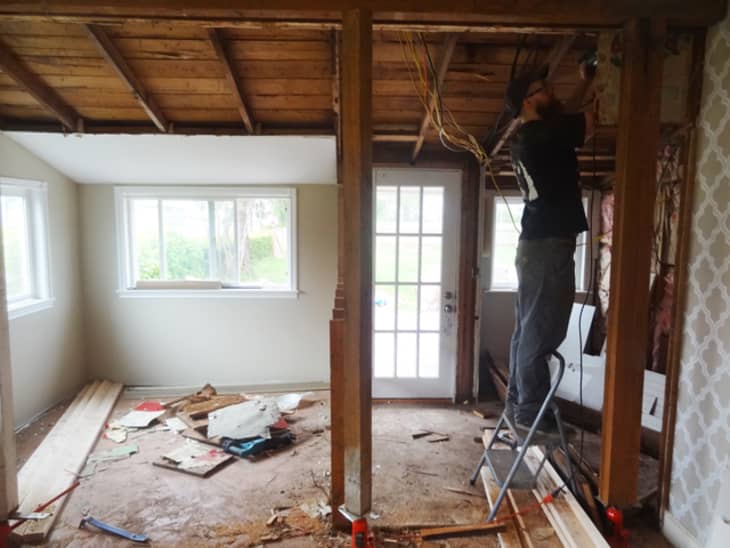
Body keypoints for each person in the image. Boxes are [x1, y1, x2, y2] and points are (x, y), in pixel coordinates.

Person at [502, 62, 595, 438]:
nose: (550, 92)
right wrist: (604, 77)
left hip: (536, 245)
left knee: (527, 330)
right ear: (526, 101)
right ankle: (529, 413)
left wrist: (585, 82)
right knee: (541, 331)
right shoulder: (542, 134)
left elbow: (564, 118)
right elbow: (586, 123)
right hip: (546, 247)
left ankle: (518, 402)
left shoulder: (534, 134)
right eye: (542, 89)